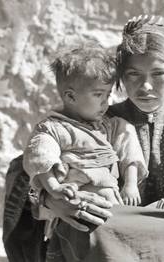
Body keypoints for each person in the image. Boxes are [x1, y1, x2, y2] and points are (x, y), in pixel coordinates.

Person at [3, 15, 164, 262]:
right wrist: (53, 202)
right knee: (91, 227)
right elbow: (29, 172)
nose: (145, 86)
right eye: (133, 74)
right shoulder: (96, 122)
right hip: (116, 233)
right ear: (120, 77)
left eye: (158, 74)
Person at [22, 45, 148, 238]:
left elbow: (128, 144)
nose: (106, 102)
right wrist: (55, 189)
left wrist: (130, 183)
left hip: (111, 202)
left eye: (108, 95)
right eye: (98, 95)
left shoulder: (109, 126)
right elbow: (41, 159)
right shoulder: (54, 129)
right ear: (71, 96)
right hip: (73, 204)